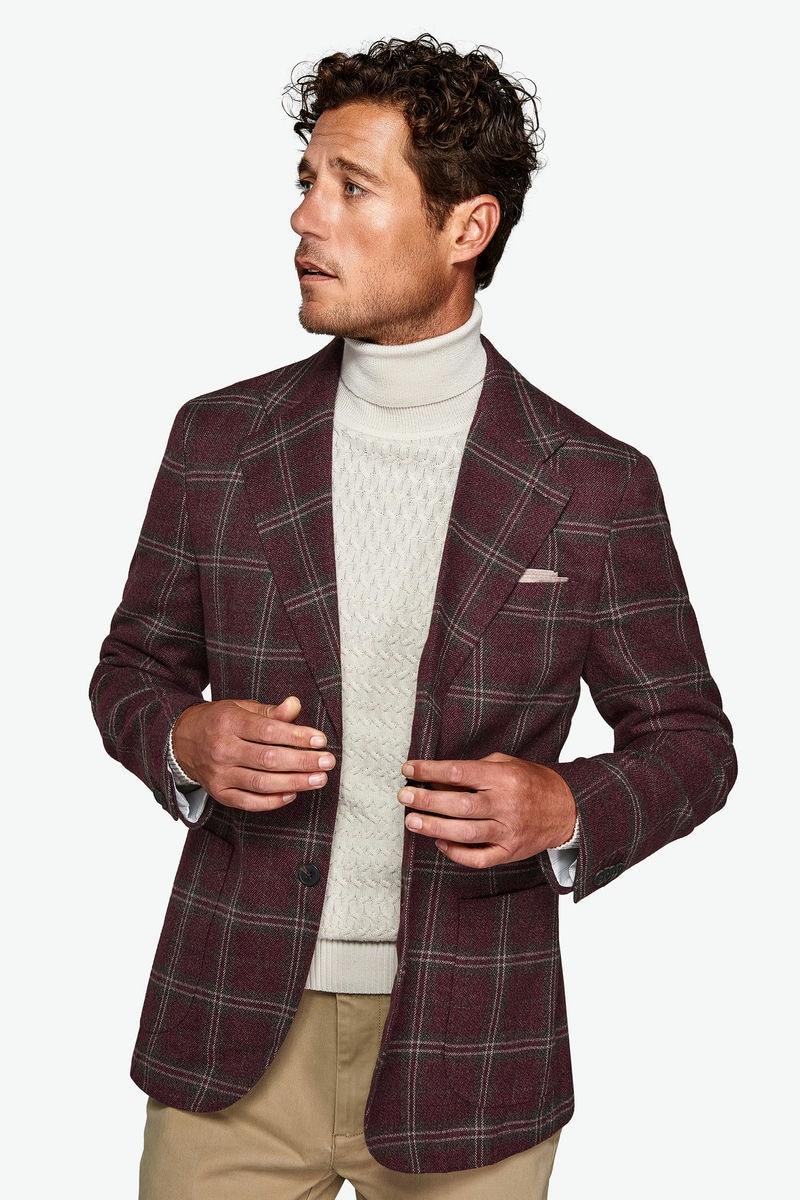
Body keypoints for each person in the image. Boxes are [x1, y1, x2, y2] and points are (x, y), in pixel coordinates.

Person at [89, 32, 737, 1200]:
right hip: (229, 1029)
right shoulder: (218, 442)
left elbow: (691, 741)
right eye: (306, 182)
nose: (303, 218)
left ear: (465, 227)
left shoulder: (592, 484)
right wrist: (183, 739)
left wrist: (567, 806)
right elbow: (132, 667)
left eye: (351, 188)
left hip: (471, 1047)